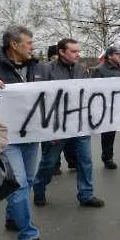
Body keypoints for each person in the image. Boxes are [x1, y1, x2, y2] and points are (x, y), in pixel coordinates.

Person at [33, 38, 105, 208]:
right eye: (73, 51)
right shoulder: (46, 69)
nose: (77, 54)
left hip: (79, 124)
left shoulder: (81, 69)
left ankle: (86, 194)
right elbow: (39, 100)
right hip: (56, 127)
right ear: (61, 52)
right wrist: (48, 129)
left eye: (78, 51)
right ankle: (39, 187)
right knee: (49, 162)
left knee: (85, 160)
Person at [0, 25, 42, 240]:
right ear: (14, 45)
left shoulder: (39, 67)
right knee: (20, 184)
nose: (32, 47)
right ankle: (29, 235)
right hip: (8, 139)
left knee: (28, 181)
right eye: (29, 43)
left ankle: (13, 217)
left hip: (31, 136)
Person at [45, 44, 76, 176]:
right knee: (53, 144)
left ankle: (72, 161)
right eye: (53, 57)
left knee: (69, 140)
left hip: (69, 113)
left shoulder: (74, 69)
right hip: (53, 114)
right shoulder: (47, 70)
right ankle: (54, 166)